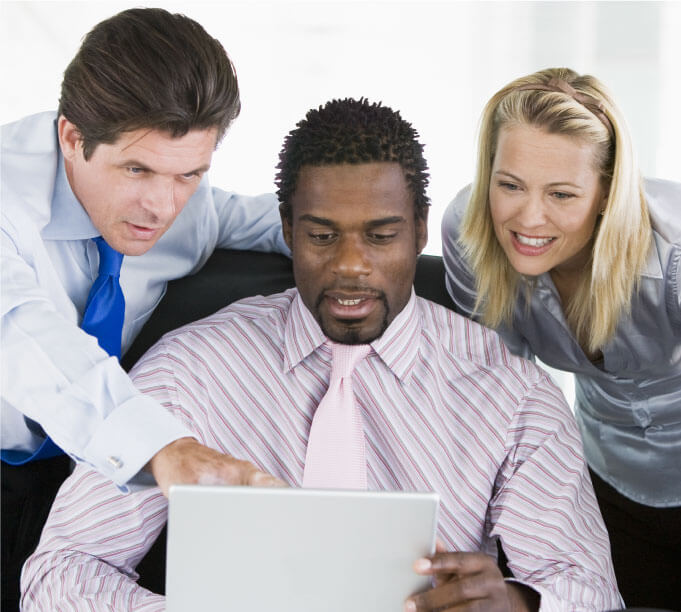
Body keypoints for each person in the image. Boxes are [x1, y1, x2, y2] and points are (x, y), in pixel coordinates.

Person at [21, 98, 622, 611]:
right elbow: (60, 574)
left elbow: (591, 588)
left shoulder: (512, 391)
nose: (351, 266)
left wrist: (523, 604)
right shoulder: (193, 369)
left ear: (419, 230)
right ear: (286, 230)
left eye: (382, 235)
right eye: (322, 235)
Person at [1, 8, 287, 611]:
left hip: (83, 485)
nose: (161, 206)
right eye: (137, 169)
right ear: (72, 137)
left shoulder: (189, 210)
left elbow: (287, 222)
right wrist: (164, 449)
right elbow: (22, 336)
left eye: (188, 174)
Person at [441, 67, 680, 609]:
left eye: (562, 194)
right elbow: (494, 392)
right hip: (607, 481)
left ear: (605, 193)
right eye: (510, 185)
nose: (528, 218)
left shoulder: (673, 258)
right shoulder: (469, 230)